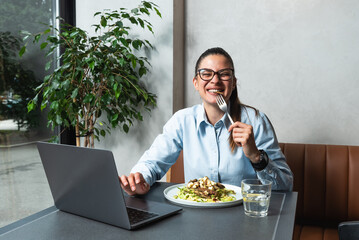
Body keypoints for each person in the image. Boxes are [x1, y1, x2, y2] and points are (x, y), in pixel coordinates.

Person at [120, 47, 293, 195]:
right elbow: (153, 162)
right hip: (196, 215)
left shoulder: (256, 121)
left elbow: (285, 187)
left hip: (243, 216)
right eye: (206, 74)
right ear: (196, 83)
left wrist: (256, 156)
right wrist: (139, 179)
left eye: (224, 74)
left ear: (233, 83)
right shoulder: (182, 120)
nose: (215, 80)